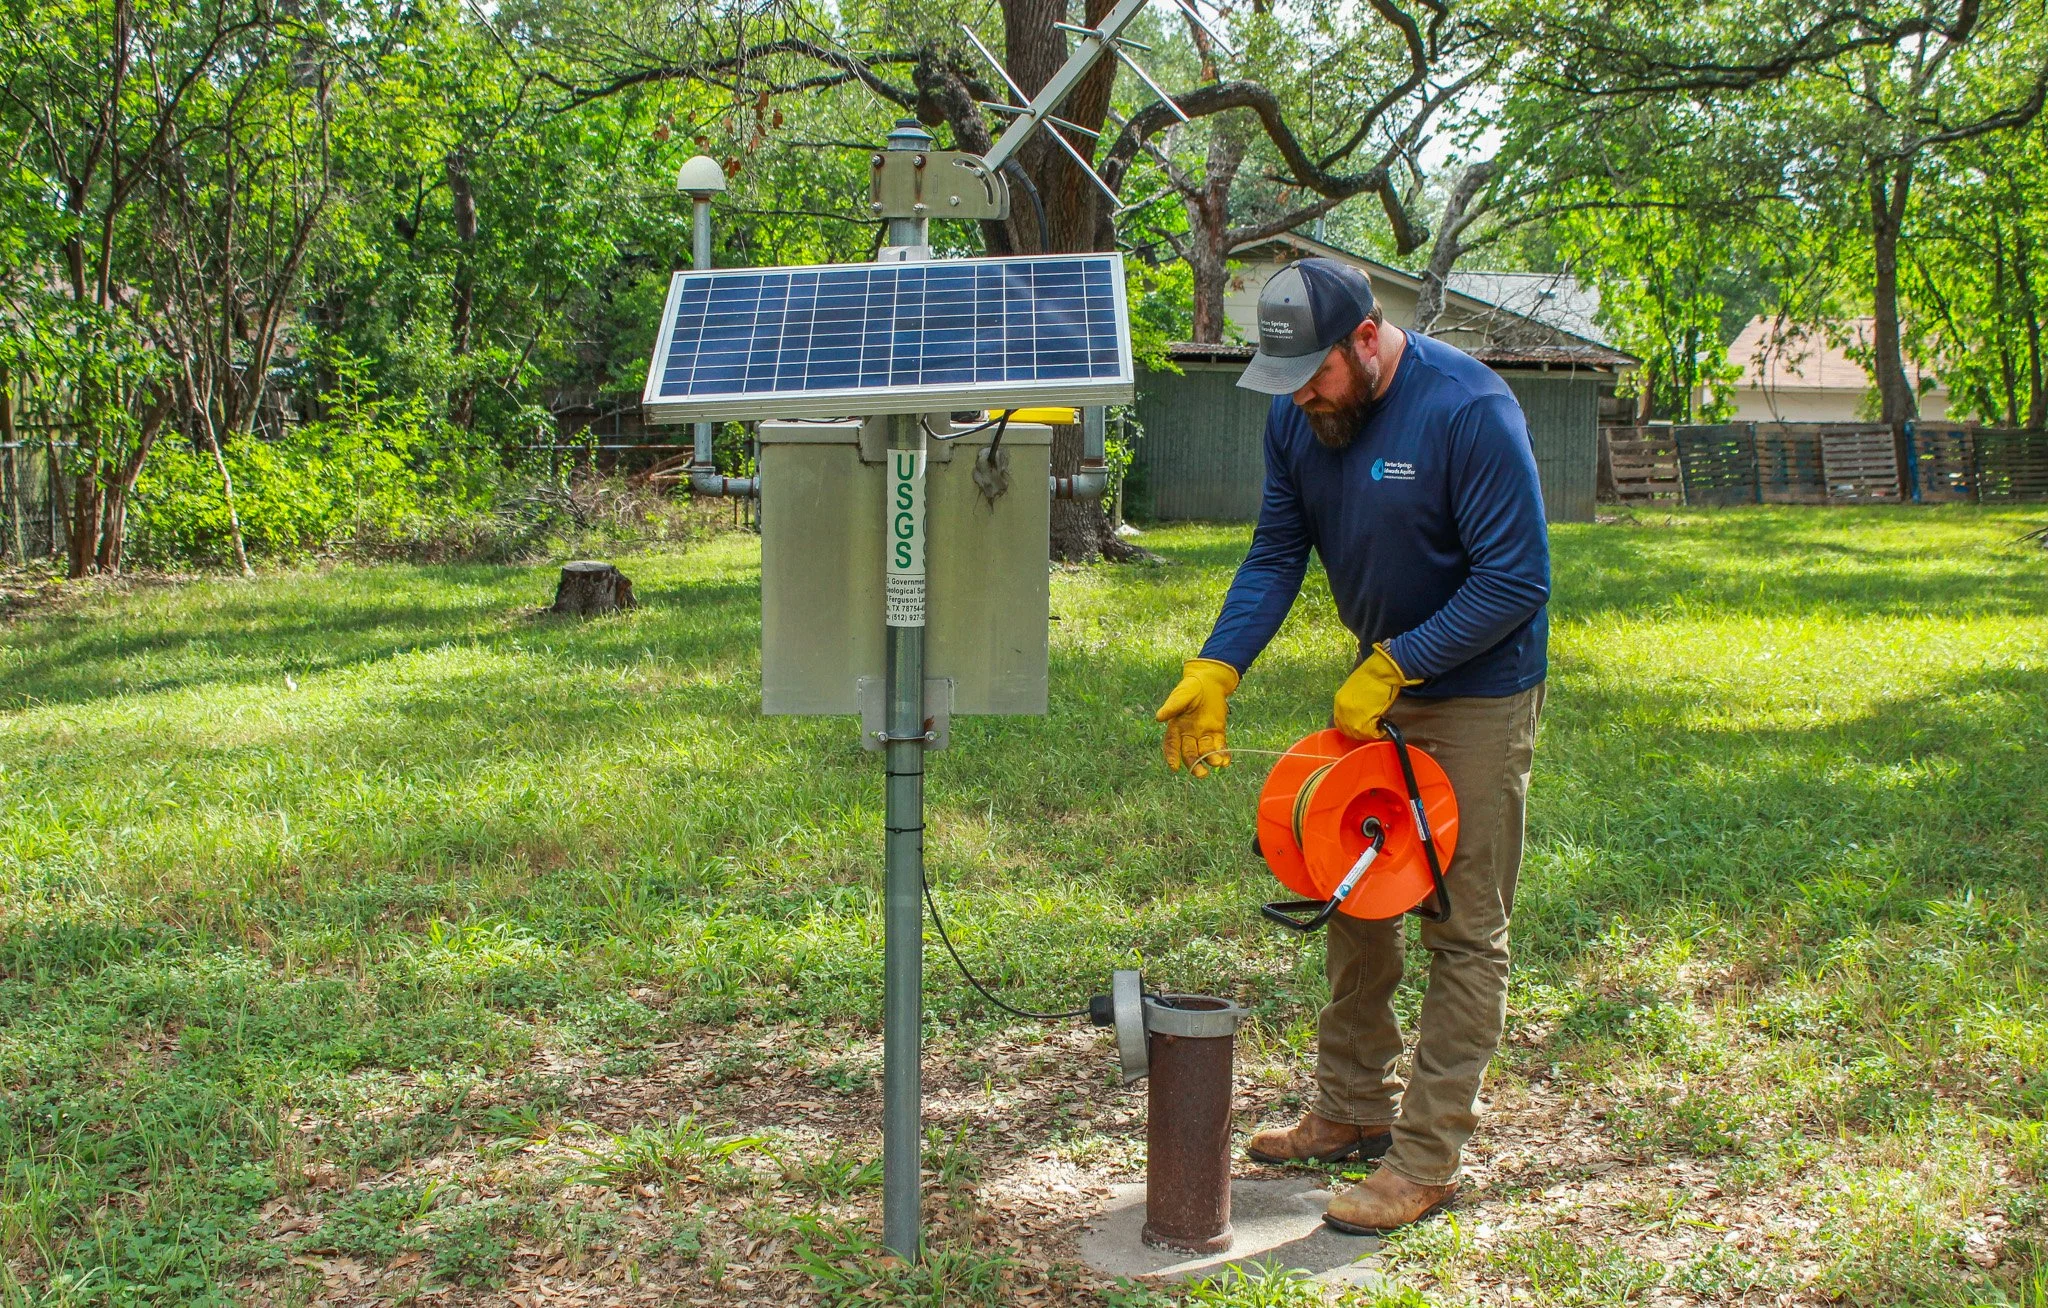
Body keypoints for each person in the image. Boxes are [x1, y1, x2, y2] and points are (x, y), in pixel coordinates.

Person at [1153, 258, 1549, 1235]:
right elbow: (1276, 551)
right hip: (1379, 691)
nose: (1301, 398)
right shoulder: (1297, 415)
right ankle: (1351, 1109)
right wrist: (1218, 666)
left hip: (1472, 693)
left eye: (1315, 374)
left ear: (1365, 339)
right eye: (1285, 380)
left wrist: (1393, 666)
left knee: (1459, 925)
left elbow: (1515, 580)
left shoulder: (1466, 408)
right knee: (1352, 889)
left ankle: (1425, 1159)